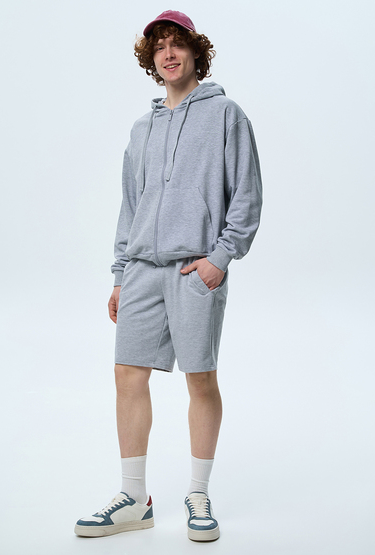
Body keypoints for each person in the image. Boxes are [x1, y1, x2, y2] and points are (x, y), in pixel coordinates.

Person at [74, 10, 262, 542]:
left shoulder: (226, 115)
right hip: (141, 271)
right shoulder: (142, 128)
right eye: (159, 47)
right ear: (151, 59)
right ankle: (134, 499)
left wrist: (219, 260)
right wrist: (119, 274)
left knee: (200, 379)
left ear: (196, 51)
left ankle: (198, 493)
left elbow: (247, 196)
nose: (168, 54)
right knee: (127, 375)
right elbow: (130, 207)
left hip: (194, 270)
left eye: (177, 44)